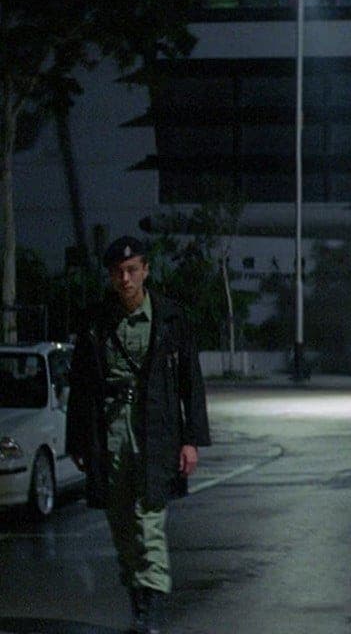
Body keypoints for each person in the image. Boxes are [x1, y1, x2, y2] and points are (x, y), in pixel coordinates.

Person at [66, 236, 211, 634]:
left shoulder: (171, 318)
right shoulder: (96, 321)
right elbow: (81, 385)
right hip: (110, 430)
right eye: (118, 272)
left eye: (132, 270)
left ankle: (153, 608)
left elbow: (191, 382)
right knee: (121, 524)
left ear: (146, 270)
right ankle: (138, 602)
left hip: (156, 430)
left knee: (150, 521)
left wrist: (190, 439)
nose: (125, 279)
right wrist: (77, 441)